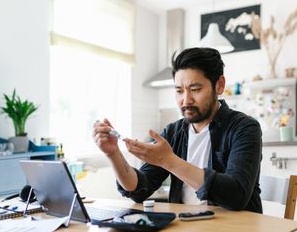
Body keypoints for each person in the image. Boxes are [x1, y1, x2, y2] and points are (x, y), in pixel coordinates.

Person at [92, 47, 263, 213]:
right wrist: (113, 154)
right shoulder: (173, 133)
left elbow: (236, 196)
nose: (186, 100)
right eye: (179, 91)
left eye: (195, 89)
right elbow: (139, 189)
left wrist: (168, 161)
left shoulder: (244, 128)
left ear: (219, 85)